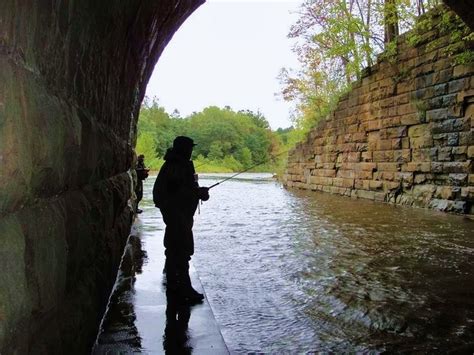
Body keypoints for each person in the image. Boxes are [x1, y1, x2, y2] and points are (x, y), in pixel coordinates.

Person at [153, 136, 209, 303]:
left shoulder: (176, 164)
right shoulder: (176, 166)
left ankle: (174, 284)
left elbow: (184, 188)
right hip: (177, 214)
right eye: (190, 148)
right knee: (181, 249)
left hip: (178, 214)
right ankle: (183, 288)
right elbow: (178, 193)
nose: (191, 151)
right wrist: (198, 193)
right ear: (184, 149)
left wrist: (199, 192)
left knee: (175, 248)